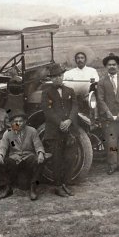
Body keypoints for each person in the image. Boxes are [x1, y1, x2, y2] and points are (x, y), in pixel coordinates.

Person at [42, 63, 78, 197]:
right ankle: (57, 186)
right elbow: (47, 110)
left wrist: (69, 120)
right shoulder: (47, 92)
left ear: (63, 76)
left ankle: (65, 184)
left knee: (69, 158)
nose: (58, 78)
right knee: (56, 160)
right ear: (51, 78)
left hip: (70, 131)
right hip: (55, 132)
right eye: (55, 77)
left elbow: (75, 107)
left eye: (60, 75)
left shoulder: (70, 91)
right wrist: (60, 123)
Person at [0, 110, 45, 200]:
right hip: (14, 160)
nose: (18, 124)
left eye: (20, 121)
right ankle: (6, 187)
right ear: (12, 123)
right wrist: (0, 155)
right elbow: (3, 147)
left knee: (40, 161)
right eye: (15, 122)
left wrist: (40, 153)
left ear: (25, 121)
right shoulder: (8, 133)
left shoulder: (32, 131)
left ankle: (33, 187)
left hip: (28, 158)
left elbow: (38, 145)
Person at [96, 54, 119, 174]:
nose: (112, 67)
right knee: (111, 141)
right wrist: (107, 112)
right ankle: (112, 164)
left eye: (114, 65)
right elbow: (100, 99)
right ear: (106, 67)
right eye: (109, 65)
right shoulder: (101, 82)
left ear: (118, 67)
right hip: (108, 117)